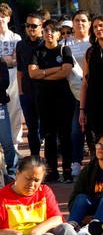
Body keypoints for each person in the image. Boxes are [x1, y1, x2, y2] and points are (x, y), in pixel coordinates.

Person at [28, 19, 75, 183]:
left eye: (52, 30)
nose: (48, 33)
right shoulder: (37, 51)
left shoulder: (64, 49)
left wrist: (44, 73)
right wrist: (55, 69)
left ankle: (67, 169)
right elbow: (32, 74)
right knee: (49, 135)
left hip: (63, 98)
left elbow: (66, 72)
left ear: (58, 33)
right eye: (46, 30)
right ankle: (52, 170)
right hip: (43, 99)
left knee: (65, 135)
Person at [0, 156, 76, 235]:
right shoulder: (2, 197)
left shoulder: (44, 191)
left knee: (66, 228)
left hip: (41, 233)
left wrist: (37, 231)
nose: (32, 184)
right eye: (28, 179)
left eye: (37, 180)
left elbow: (57, 218)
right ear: (18, 174)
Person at [67, 133, 103, 232]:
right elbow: (74, 195)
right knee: (81, 198)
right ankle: (71, 227)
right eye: (98, 144)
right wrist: (83, 217)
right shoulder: (89, 169)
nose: (100, 148)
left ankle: (94, 227)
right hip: (92, 206)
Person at [60, 10, 92, 176]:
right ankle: (76, 162)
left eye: (83, 20)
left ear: (89, 23)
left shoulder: (93, 42)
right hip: (73, 94)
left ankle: (95, 162)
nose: (80, 23)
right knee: (76, 130)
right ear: (72, 23)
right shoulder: (64, 44)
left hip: (94, 93)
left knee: (93, 130)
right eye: (77, 20)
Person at [16, 12, 43, 158]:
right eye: (28, 25)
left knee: (46, 128)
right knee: (32, 129)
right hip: (27, 92)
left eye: (34, 25)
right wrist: (20, 91)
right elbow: (19, 70)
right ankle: (35, 158)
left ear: (41, 27)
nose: (30, 28)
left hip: (44, 92)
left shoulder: (45, 43)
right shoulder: (20, 45)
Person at [0, 3, 22, 166]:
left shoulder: (16, 38)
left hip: (14, 75)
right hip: (1, 75)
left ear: (8, 17)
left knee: (15, 108)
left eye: (3, 16)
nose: (0, 19)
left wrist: (6, 60)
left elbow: (16, 60)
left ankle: (14, 144)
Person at [0, 56, 16, 178]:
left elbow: (4, 82)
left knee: (6, 141)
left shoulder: (1, 61)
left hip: (0, 106)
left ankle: (12, 171)